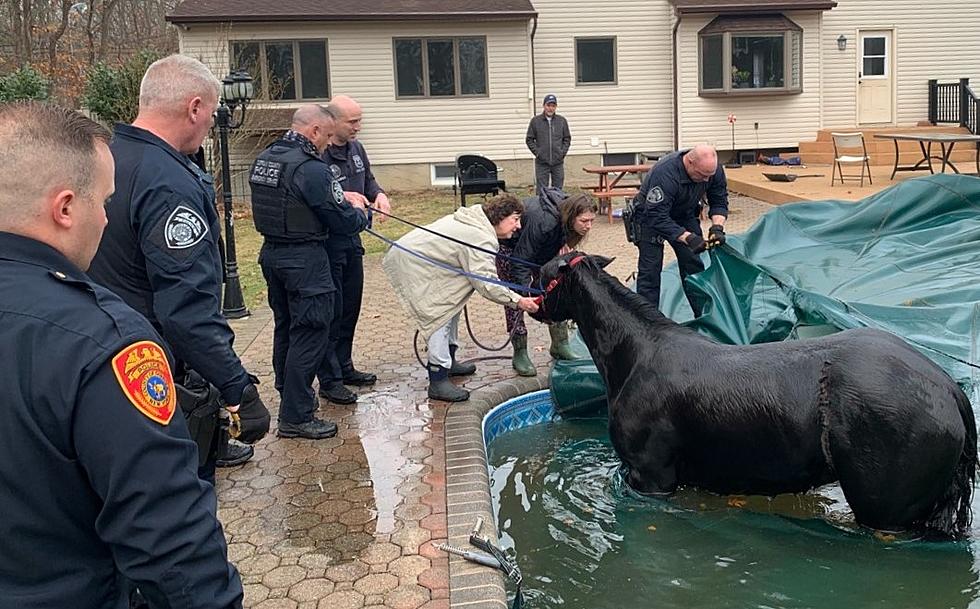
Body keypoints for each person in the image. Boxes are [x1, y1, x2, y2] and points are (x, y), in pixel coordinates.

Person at [0, 100, 244, 609]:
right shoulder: (102, 343)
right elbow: (168, 540)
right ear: (65, 208)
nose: (108, 218)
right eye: (105, 201)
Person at [88, 54, 269, 484]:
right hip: (158, 376)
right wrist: (236, 387)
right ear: (194, 108)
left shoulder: (110, 158)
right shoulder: (168, 181)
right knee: (182, 506)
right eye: (211, 112)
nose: (212, 122)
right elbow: (186, 307)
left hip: (107, 363)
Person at [249, 105, 368, 438]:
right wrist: (361, 213)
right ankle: (296, 416)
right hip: (305, 260)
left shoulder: (266, 159)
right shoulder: (312, 169)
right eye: (327, 136)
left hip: (272, 254)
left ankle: (289, 395)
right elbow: (340, 218)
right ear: (314, 130)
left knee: (285, 329)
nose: (329, 144)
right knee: (311, 332)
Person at [382, 193, 540, 402]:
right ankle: (438, 380)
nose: (518, 226)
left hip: (424, 261)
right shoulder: (480, 237)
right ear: (500, 216)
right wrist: (518, 300)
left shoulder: (477, 220)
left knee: (453, 303)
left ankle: (450, 361)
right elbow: (486, 283)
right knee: (438, 313)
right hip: (413, 263)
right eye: (515, 219)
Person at [318, 94, 386, 392]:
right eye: (353, 121)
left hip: (353, 240)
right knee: (331, 312)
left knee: (350, 308)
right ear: (333, 122)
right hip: (327, 244)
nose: (358, 126)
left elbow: (368, 180)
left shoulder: (357, 148)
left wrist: (379, 194)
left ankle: (345, 366)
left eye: (360, 120)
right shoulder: (318, 153)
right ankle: (330, 379)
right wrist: (344, 196)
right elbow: (317, 193)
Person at [496, 189, 597, 376]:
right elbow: (521, 259)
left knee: (556, 289)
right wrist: (525, 295)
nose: (588, 226)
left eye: (591, 220)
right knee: (514, 300)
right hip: (512, 249)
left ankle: (560, 343)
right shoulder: (544, 221)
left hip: (540, 249)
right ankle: (520, 352)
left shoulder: (567, 222)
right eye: (584, 221)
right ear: (571, 215)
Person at [629, 145, 728, 316]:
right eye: (702, 175)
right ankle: (648, 321)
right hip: (650, 217)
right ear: (690, 162)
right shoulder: (665, 173)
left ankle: (704, 315)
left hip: (684, 213)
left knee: (694, 265)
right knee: (650, 272)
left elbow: (718, 199)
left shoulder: (712, 170)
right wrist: (688, 238)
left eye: (709, 176)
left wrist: (717, 227)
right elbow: (657, 217)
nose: (705, 180)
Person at [525, 94, 571, 193]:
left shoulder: (561, 121)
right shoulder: (536, 121)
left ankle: (556, 207)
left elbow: (567, 139)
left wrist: (562, 153)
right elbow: (529, 139)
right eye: (548, 105)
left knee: (558, 190)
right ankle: (541, 208)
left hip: (558, 162)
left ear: (556, 107)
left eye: (553, 106)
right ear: (544, 106)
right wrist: (538, 153)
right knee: (541, 191)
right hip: (542, 162)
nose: (550, 108)